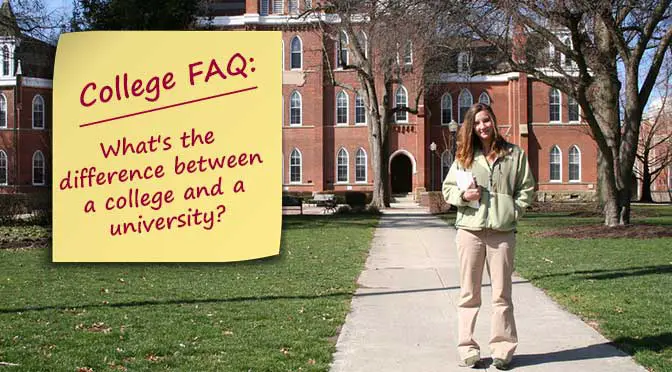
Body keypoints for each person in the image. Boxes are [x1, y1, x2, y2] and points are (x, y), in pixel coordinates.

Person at [442, 103, 535, 370]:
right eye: (477, 123)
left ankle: (503, 349)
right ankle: (468, 348)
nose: (483, 126)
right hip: (470, 231)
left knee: (502, 294)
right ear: (472, 127)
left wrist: (513, 211)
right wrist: (463, 196)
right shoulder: (464, 156)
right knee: (469, 293)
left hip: (502, 233)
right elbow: (448, 189)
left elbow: (526, 188)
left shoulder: (514, 154)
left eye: (486, 120)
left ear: (493, 121)